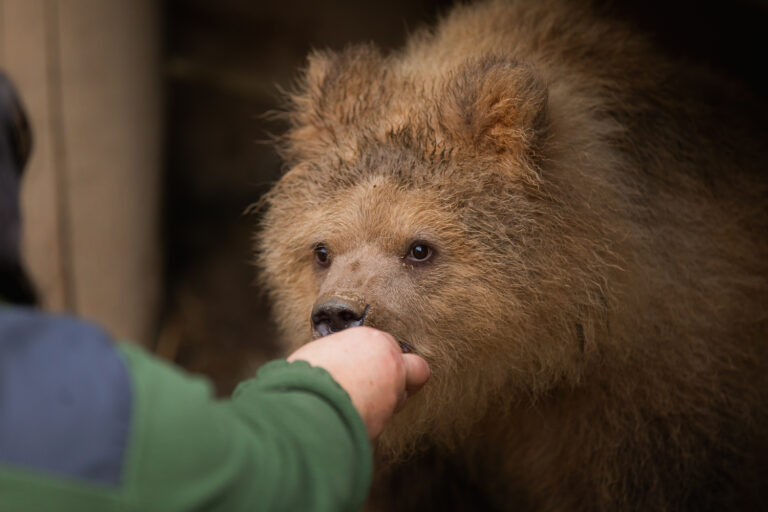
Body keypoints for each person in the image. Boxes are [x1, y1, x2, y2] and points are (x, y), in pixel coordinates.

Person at [0, 71, 430, 512]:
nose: (335, 298)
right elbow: (255, 482)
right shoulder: (87, 410)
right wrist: (330, 399)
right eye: (322, 255)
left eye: (419, 252)